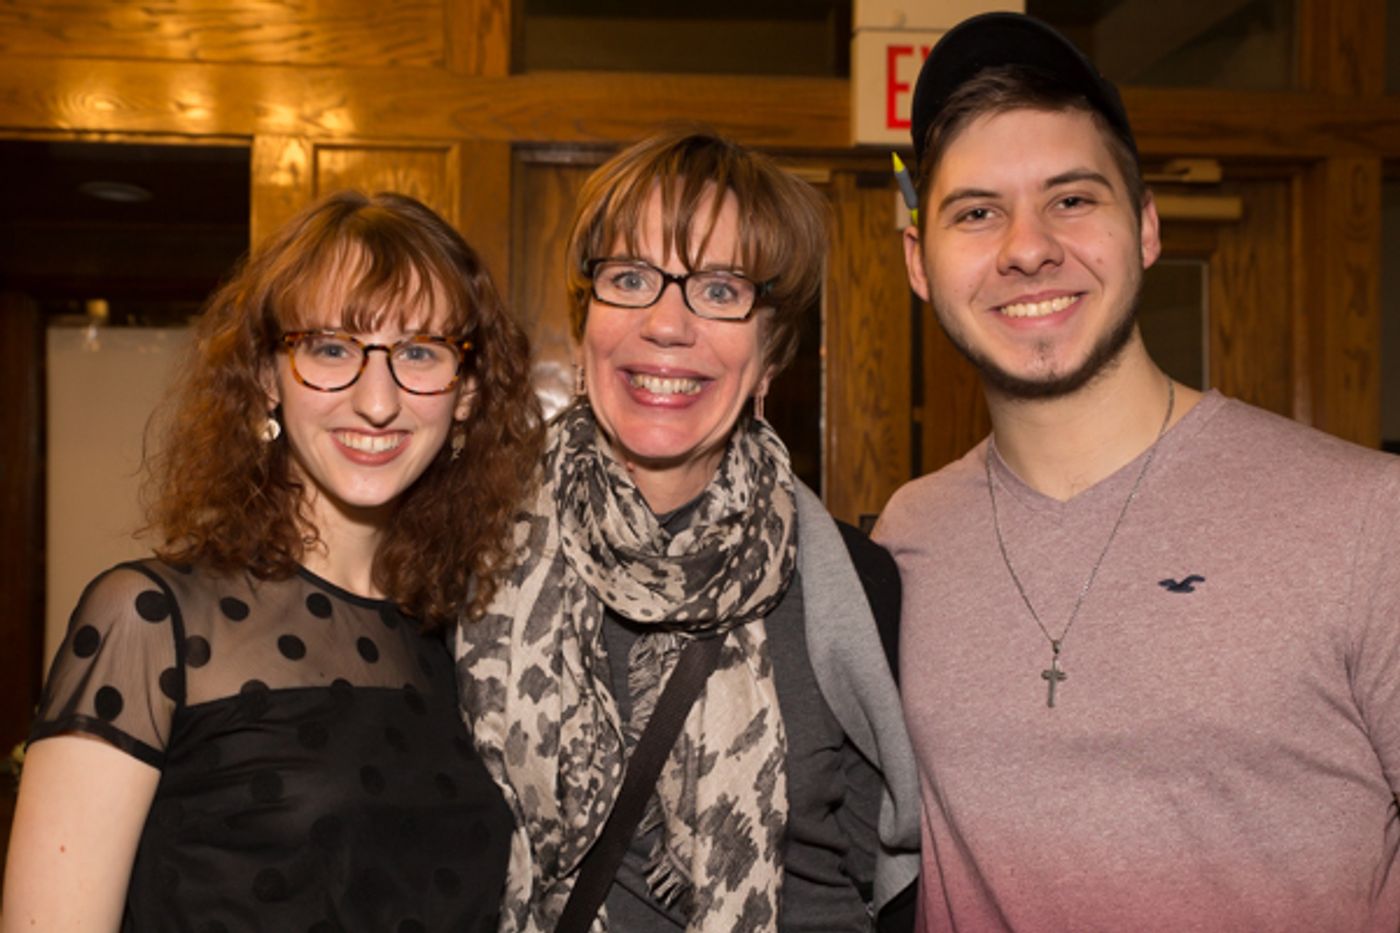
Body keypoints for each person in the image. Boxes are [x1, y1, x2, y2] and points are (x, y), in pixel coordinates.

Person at [875, 11, 1400, 932]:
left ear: (1148, 228)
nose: (1028, 246)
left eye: (1072, 199)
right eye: (976, 212)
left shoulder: (1369, 520)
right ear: (920, 262)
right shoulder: (905, 539)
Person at [2, 190, 543, 932]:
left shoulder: (469, 639)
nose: (377, 399)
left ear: (467, 392)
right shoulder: (148, 622)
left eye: (419, 351)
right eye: (331, 348)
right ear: (266, 374)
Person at [454, 129, 920, 933]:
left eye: (719, 288)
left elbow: (890, 879)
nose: (667, 324)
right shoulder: (467, 553)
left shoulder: (853, 582)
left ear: (771, 353)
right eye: (630, 277)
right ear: (587, 321)